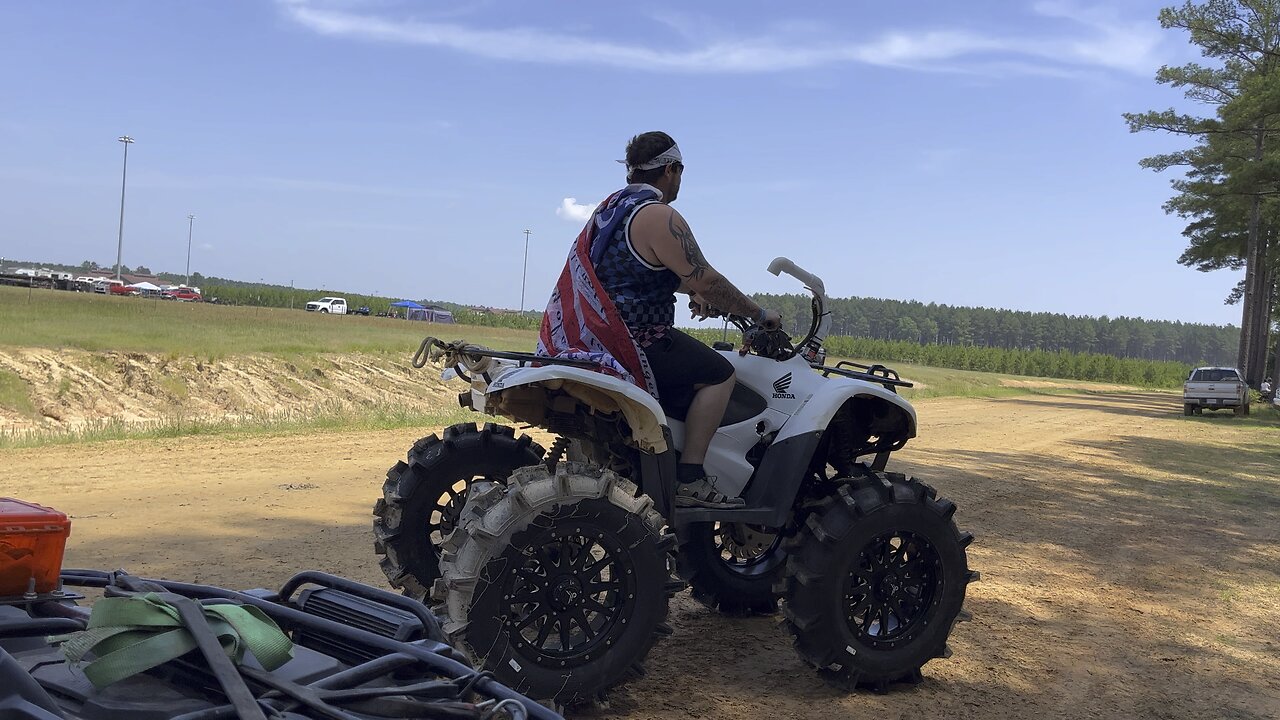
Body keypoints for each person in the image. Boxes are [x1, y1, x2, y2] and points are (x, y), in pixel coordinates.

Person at [539, 131, 780, 508]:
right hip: (637, 339)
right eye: (681, 172)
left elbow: (635, 271)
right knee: (721, 375)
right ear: (671, 169)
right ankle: (691, 476)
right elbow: (708, 279)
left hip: (588, 338)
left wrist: (693, 292)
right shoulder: (659, 214)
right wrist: (759, 313)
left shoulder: (609, 212)